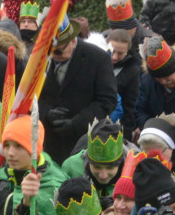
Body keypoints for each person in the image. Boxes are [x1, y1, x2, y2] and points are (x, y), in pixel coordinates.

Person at [38, 12, 117, 165]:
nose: (53, 55)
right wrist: (47, 113)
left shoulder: (98, 59)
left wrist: (76, 123)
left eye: (58, 51)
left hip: (82, 145)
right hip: (48, 144)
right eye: (49, 51)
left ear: (73, 41)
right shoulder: (39, 57)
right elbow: (33, 95)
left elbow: (107, 101)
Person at [60, 118, 130, 197]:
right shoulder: (71, 167)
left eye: (110, 168)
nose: (103, 175)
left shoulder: (134, 172)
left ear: (120, 163)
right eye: (97, 167)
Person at [107, 28, 142, 137]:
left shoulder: (132, 71)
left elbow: (130, 107)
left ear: (127, 52)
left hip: (115, 127)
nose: (114, 57)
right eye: (112, 51)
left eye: (120, 53)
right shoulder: (97, 62)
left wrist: (125, 136)